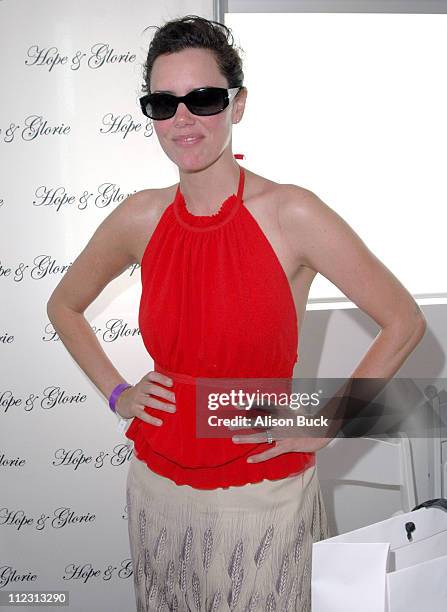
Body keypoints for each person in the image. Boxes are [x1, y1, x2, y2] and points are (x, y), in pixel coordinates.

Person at [46, 14, 426, 612]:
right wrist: (119, 393)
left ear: (237, 104)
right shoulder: (138, 218)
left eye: (202, 98)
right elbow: (63, 305)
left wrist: (323, 420)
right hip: (157, 485)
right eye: (164, 103)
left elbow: (404, 321)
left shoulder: (291, 212)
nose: (183, 119)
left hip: (264, 488)